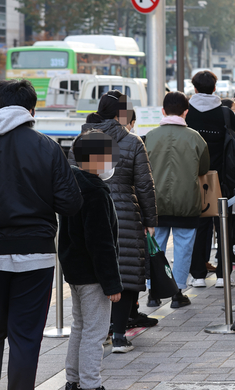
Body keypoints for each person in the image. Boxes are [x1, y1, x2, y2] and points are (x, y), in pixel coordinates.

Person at [0, 79, 83, 389]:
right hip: (35, 254)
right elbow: (71, 203)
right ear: (31, 110)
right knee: (25, 337)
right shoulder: (46, 146)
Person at [69, 90, 158, 353]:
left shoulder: (81, 139)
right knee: (127, 270)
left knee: (97, 271)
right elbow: (144, 184)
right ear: (122, 113)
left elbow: (71, 179)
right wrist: (150, 218)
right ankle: (120, 335)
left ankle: (103, 330)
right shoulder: (132, 141)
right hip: (127, 213)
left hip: (88, 211)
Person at [59, 130, 123, 390]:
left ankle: (73, 381)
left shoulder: (71, 184)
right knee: (95, 333)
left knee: (80, 326)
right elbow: (101, 243)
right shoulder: (95, 192)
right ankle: (90, 384)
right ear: (97, 159)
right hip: (93, 275)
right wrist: (112, 283)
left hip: (75, 271)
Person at [144, 91, 210, 303]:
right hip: (187, 202)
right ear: (186, 112)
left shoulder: (150, 137)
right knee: (183, 247)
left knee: (156, 247)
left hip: (156, 202)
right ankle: (177, 292)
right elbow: (204, 169)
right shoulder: (196, 138)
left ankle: (153, 291)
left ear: (163, 111)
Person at [186, 70, 235, 288]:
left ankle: (198, 275)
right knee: (224, 225)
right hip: (223, 177)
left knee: (199, 225)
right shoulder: (226, 114)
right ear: (215, 88)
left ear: (195, 88)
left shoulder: (187, 112)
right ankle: (222, 276)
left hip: (193, 177)